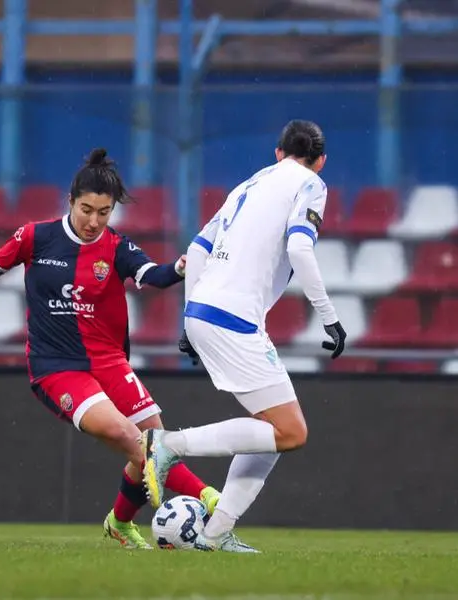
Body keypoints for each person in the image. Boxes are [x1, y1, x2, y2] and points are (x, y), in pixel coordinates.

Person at [0, 148, 221, 550]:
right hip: (57, 366)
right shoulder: (35, 237)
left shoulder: (115, 246)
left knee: (153, 441)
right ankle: (211, 499)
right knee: (130, 437)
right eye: (86, 210)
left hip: (110, 361)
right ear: (70, 201)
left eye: (104, 212)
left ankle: (119, 523)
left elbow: (153, 275)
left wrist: (181, 268)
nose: (94, 221)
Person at [142, 119, 346, 553]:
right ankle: (168, 444)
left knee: (270, 431)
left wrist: (187, 319)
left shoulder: (248, 184)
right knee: (291, 432)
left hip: (206, 309)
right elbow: (299, 248)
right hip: (233, 317)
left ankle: (214, 536)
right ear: (321, 161)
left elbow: (197, 248)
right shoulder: (311, 184)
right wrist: (328, 316)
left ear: (277, 152)